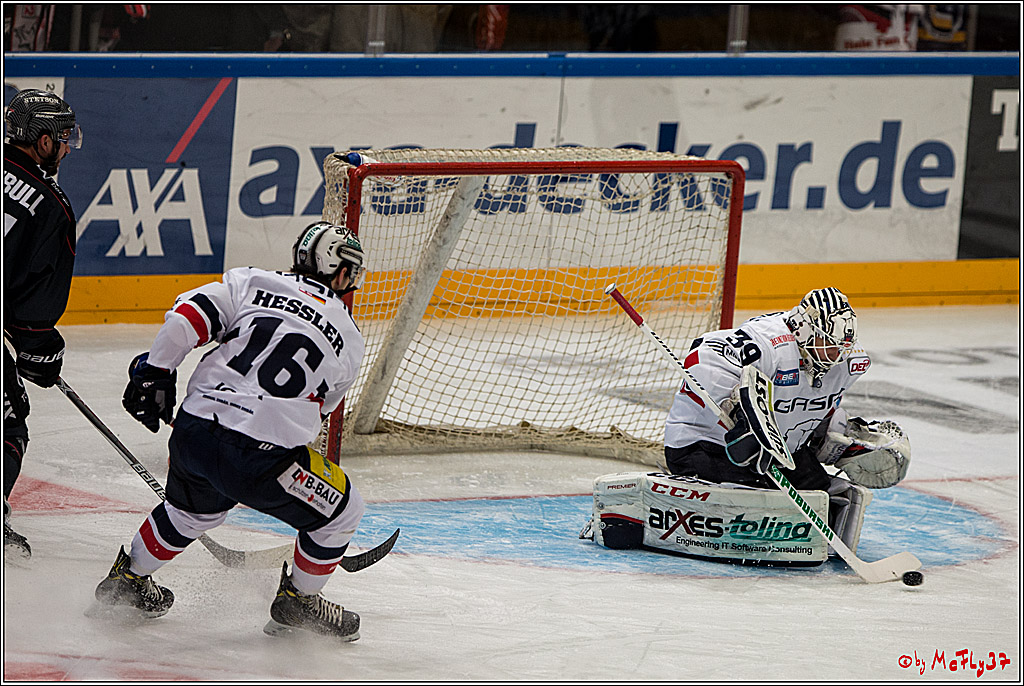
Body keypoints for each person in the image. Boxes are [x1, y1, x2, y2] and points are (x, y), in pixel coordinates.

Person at [92, 221, 369, 641]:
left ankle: (128, 580)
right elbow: (321, 410)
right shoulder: (348, 336)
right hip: (264, 459)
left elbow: (187, 317)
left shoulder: (252, 281)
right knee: (343, 512)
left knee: (190, 511)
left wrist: (155, 373)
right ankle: (299, 599)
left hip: (193, 432)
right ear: (340, 270)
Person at [664, 287, 911, 554]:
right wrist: (738, 412)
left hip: (777, 454)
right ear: (805, 330)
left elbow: (808, 405)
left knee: (824, 497)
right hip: (704, 445)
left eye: (841, 347)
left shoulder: (847, 361)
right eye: (828, 345)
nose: (836, 355)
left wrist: (839, 443)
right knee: (759, 497)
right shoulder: (769, 342)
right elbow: (703, 352)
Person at [4, 88, 82, 560]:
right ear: (42, 141)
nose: (69, 146)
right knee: (8, 427)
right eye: (64, 137)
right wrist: (39, 352)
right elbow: (33, 308)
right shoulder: (51, 205)